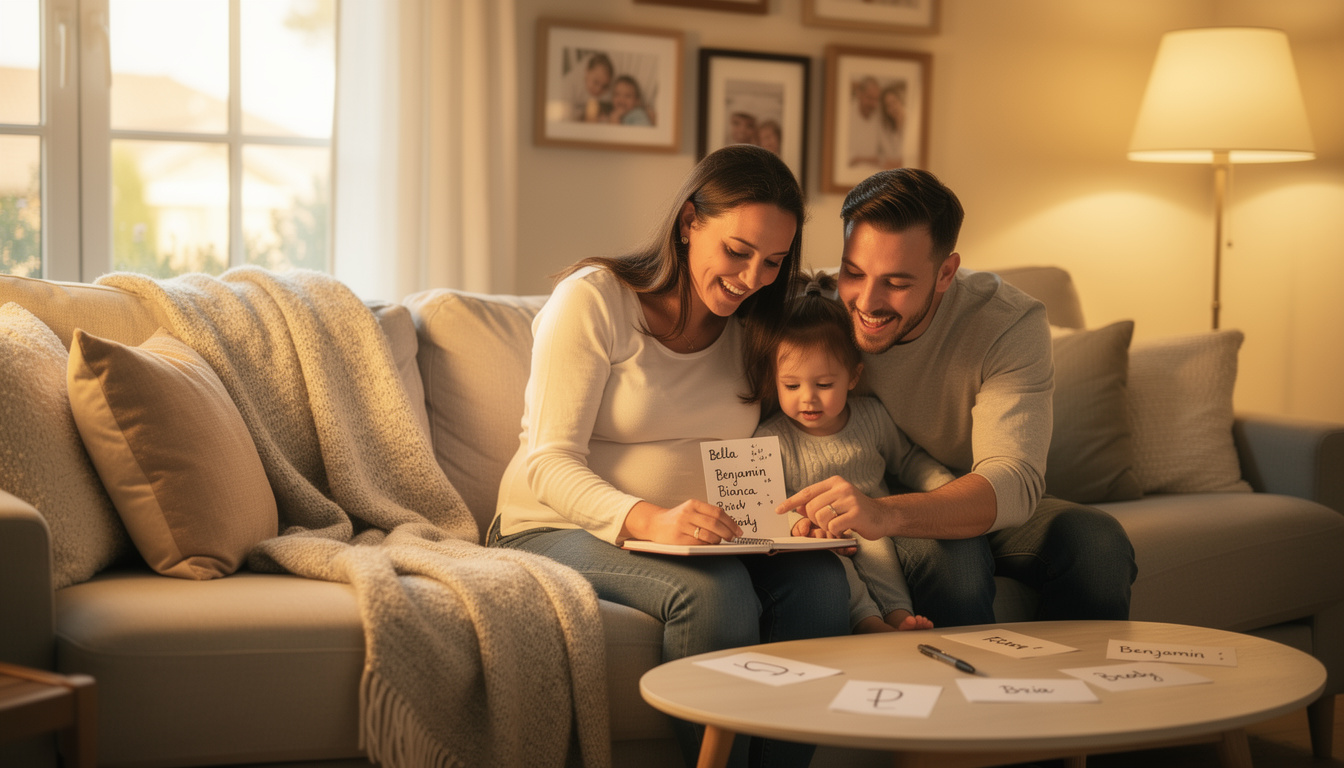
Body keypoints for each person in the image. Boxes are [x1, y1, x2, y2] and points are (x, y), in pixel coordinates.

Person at [490, 144, 849, 768]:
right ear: (689, 223)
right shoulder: (595, 299)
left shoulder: (757, 325)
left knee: (819, 586)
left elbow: (776, 442)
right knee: (715, 595)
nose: (751, 277)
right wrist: (647, 519)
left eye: (773, 262)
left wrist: (792, 521)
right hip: (551, 525)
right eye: (737, 251)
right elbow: (547, 461)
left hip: (707, 534)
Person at [778, 168, 1137, 628]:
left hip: (969, 494)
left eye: (898, 282)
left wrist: (884, 513)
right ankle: (956, 695)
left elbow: (1014, 480)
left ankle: (1072, 695)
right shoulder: (813, 310)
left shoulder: (1007, 323)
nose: (866, 301)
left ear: (946, 272)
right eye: (853, 272)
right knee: (956, 560)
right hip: (867, 491)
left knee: (1098, 543)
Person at [747, 270, 946, 634]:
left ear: (853, 378)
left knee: (879, 551)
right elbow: (766, 505)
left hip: (871, 521)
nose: (807, 398)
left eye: (824, 384)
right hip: (817, 537)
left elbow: (909, 460)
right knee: (833, 565)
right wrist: (801, 527)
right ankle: (868, 621)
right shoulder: (771, 438)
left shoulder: (870, 417)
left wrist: (943, 486)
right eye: (791, 385)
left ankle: (898, 613)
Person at [847, 76, 883, 168]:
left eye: (876, 99)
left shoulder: (880, 116)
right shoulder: (846, 113)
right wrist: (867, 160)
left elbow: (884, 156)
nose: (873, 104)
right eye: (870, 98)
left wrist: (859, 159)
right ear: (859, 94)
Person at [574, 52, 613, 122]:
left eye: (604, 86)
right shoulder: (574, 87)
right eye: (596, 82)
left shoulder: (608, 96)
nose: (598, 89)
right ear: (587, 72)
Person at [876, 82, 906, 168]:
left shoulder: (912, 123)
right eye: (888, 105)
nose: (893, 107)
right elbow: (888, 155)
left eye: (894, 102)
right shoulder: (886, 126)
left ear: (900, 100)